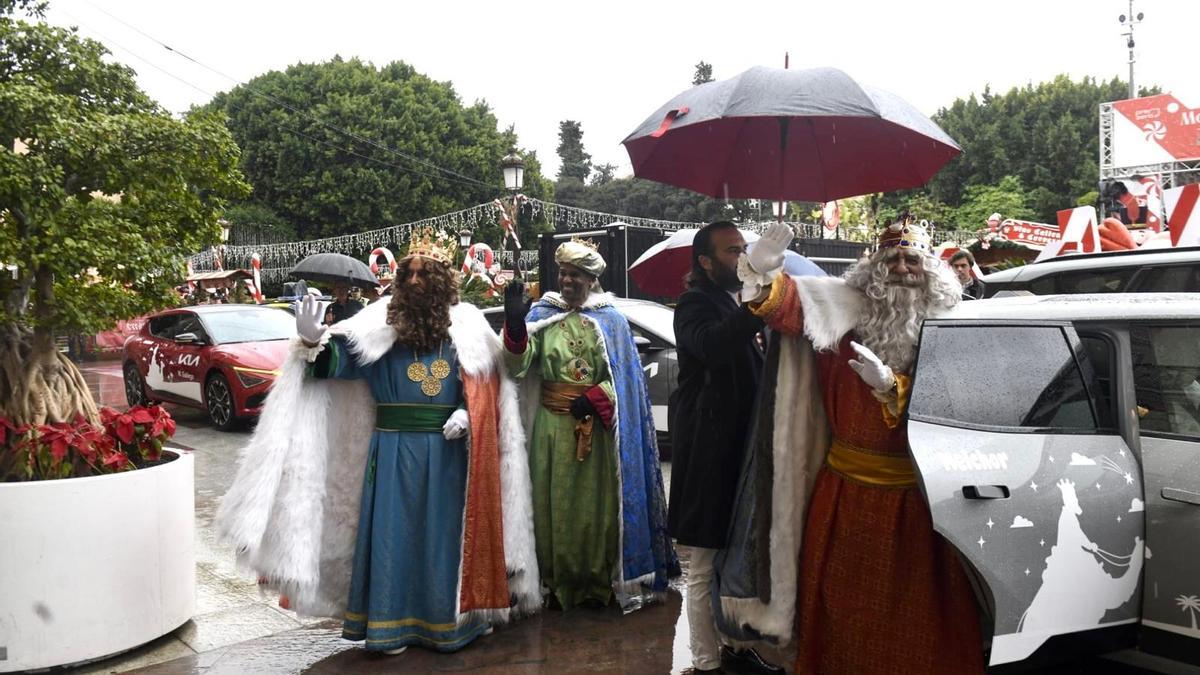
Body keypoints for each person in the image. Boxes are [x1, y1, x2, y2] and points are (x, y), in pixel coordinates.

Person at [216, 227, 540, 655]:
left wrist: (467, 410)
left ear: (443, 282)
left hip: (448, 455)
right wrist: (313, 342)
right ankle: (390, 627)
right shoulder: (379, 324)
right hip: (392, 451)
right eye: (410, 275)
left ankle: (448, 622)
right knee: (392, 535)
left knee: (444, 539)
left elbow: (491, 381)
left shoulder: (468, 327)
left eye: (427, 275)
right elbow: (338, 363)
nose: (417, 282)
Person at [716, 221, 985, 674]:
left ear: (928, 267)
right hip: (845, 496)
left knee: (917, 608)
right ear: (875, 267)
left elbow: (964, 400)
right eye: (891, 259)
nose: (901, 268)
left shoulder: (951, 320)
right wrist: (761, 272)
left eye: (911, 258)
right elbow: (783, 306)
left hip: (919, 498)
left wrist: (893, 387)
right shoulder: (842, 306)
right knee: (842, 602)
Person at [502, 239, 679, 610]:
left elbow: (626, 381)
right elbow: (518, 368)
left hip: (596, 431)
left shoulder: (611, 320)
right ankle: (556, 582)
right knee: (551, 505)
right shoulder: (542, 314)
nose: (567, 281)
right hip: (551, 428)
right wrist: (516, 326)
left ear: (591, 279)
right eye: (563, 273)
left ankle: (597, 582)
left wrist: (598, 397)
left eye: (575, 275)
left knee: (597, 509)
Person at [668, 222, 781, 675]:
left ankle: (732, 644)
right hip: (708, 454)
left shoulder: (728, 300)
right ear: (706, 262)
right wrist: (756, 304)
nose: (741, 257)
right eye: (732, 251)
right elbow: (713, 347)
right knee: (701, 564)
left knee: (729, 558)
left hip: (735, 451)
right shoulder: (694, 303)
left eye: (743, 248)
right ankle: (706, 662)